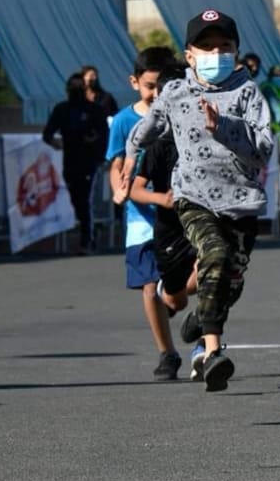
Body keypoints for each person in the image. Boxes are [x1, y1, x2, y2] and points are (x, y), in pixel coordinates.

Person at [117, 9, 274, 393]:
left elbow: (264, 150)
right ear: (189, 55)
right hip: (193, 197)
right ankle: (213, 352)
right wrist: (130, 156)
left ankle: (199, 321)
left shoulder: (248, 93)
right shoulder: (174, 92)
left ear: (236, 51)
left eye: (224, 46)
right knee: (214, 257)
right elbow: (147, 127)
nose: (215, 53)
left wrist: (224, 127)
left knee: (228, 282)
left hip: (240, 200)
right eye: (206, 47)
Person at [103, 46, 183, 380]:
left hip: (180, 216)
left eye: (161, 87)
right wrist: (117, 189)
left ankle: (196, 329)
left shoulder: (181, 115)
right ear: (134, 82)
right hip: (142, 220)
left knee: (178, 296)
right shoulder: (124, 121)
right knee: (149, 287)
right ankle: (167, 353)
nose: (155, 94)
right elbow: (117, 162)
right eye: (149, 86)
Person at [125, 61, 206, 382]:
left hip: (203, 221)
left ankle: (207, 346)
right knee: (167, 295)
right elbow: (133, 185)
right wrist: (163, 199)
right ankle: (168, 351)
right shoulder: (157, 143)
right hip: (165, 226)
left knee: (216, 272)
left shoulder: (205, 134)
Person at [42, 72, 109, 254]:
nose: (76, 91)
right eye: (73, 88)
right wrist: (56, 142)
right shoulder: (62, 109)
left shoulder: (94, 110)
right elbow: (48, 133)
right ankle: (89, 230)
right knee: (75, 199)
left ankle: (87, 239)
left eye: (79, 88)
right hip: (70, 160)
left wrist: (96, 146)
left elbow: (103, 134)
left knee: (85, 199)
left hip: (89, 161)